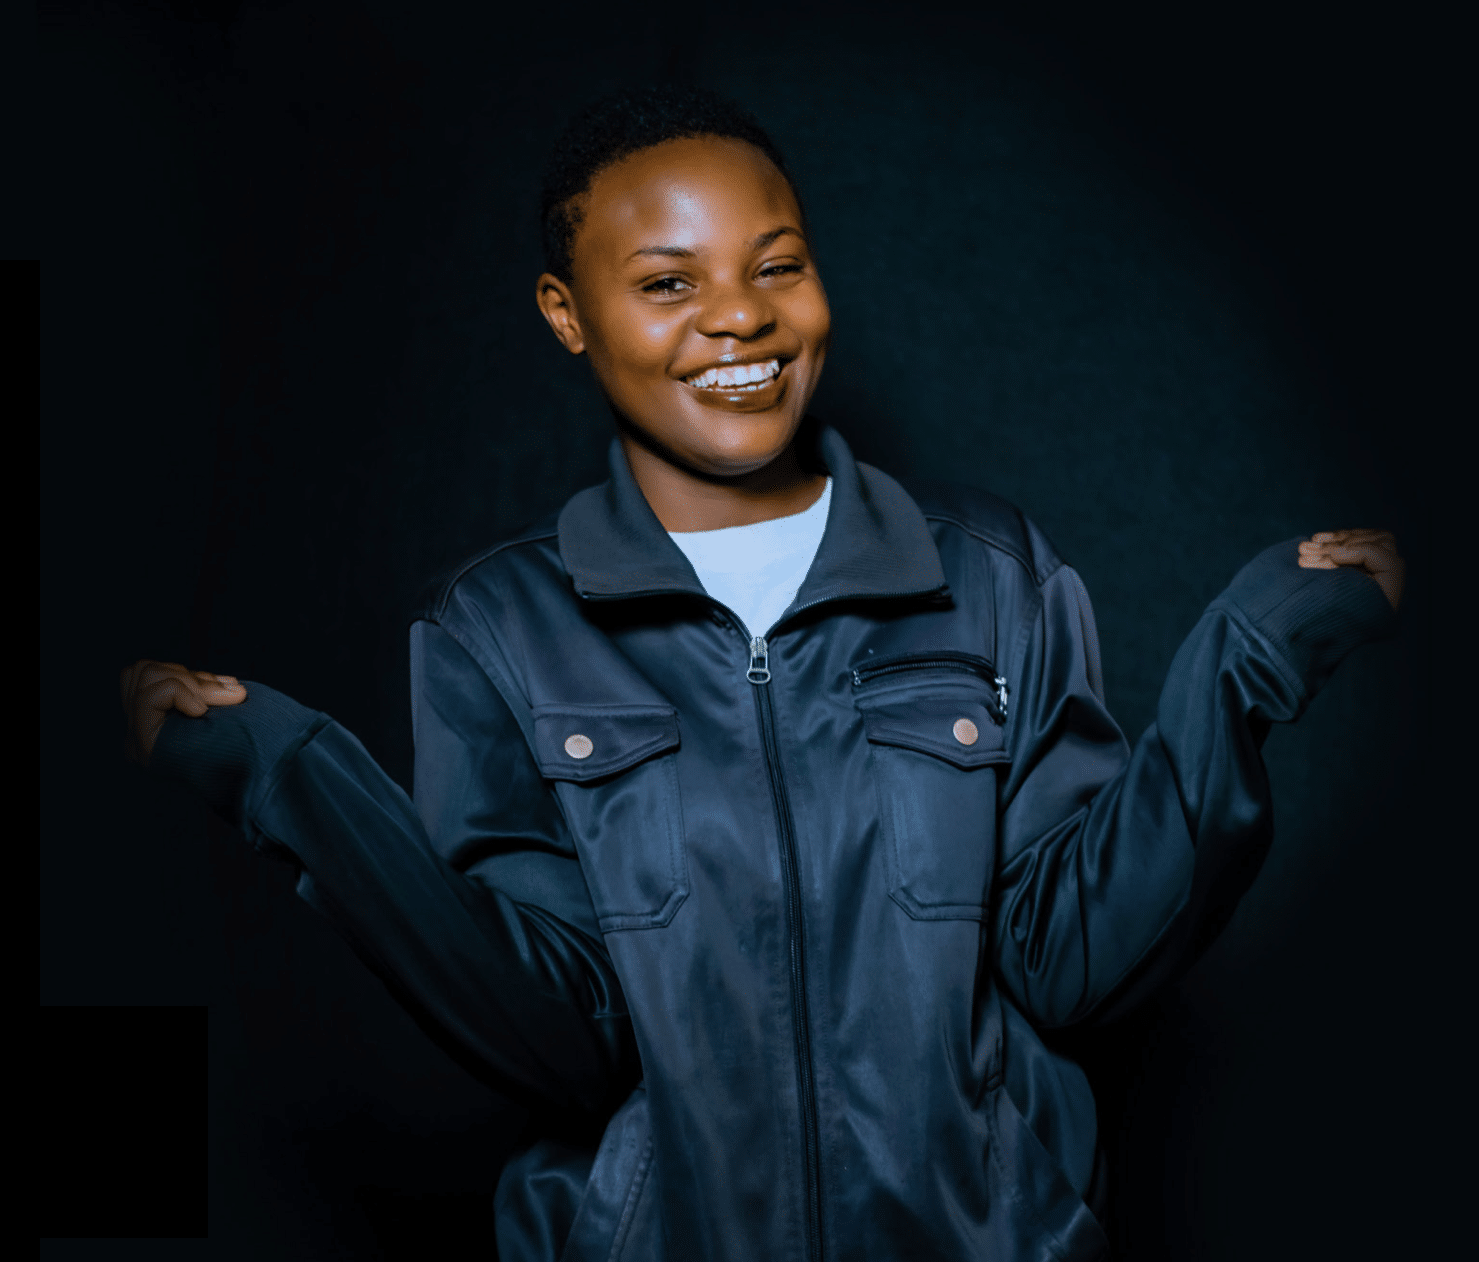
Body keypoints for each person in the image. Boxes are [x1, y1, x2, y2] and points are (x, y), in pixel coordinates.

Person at [121, 86, 1404, 1261]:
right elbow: (554, 1036)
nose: (738, 315)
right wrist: (292, 778)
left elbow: (1075, 953)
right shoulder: (494, 626)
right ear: (568, 315)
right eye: (667, 282)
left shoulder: (993, 570)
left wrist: (1246, 656)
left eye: (774, 266)